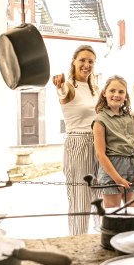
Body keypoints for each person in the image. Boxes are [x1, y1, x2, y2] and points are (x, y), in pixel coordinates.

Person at [52, 45, 99, 235]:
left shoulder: (95, 88)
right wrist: (59, 84)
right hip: (78, 144)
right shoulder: (69, 86)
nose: (86, 65)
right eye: (83, 60)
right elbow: (63, 92)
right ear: (74, 61)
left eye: (90, 61)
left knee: (100, 196)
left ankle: (99, 242)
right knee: (80, 199)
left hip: (99, 145)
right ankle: (78, 243)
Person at [92, 75, 134, 208]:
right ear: (104, 93)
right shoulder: (100, 120)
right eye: (112, 91)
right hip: (112, 171)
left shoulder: (129, 117)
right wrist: (118, 179)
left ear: (126, 96)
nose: (116, 95)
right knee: (113, 218)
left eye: (121, 92)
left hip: (131, 169)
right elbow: (100, 155)